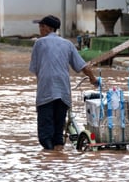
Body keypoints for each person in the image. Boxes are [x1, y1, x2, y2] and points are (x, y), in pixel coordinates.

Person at [29, 14, 98, 151]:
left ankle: (50, 158)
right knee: (58, 133)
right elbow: (83, 66)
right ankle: (58, 157)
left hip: (46, 92)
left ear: (48, 28)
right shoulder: (68, 44)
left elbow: (36, 70)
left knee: (45, 135)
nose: (40, 30)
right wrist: (93, 79)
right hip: (63, 92)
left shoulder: (39, 43)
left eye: (41, 27)